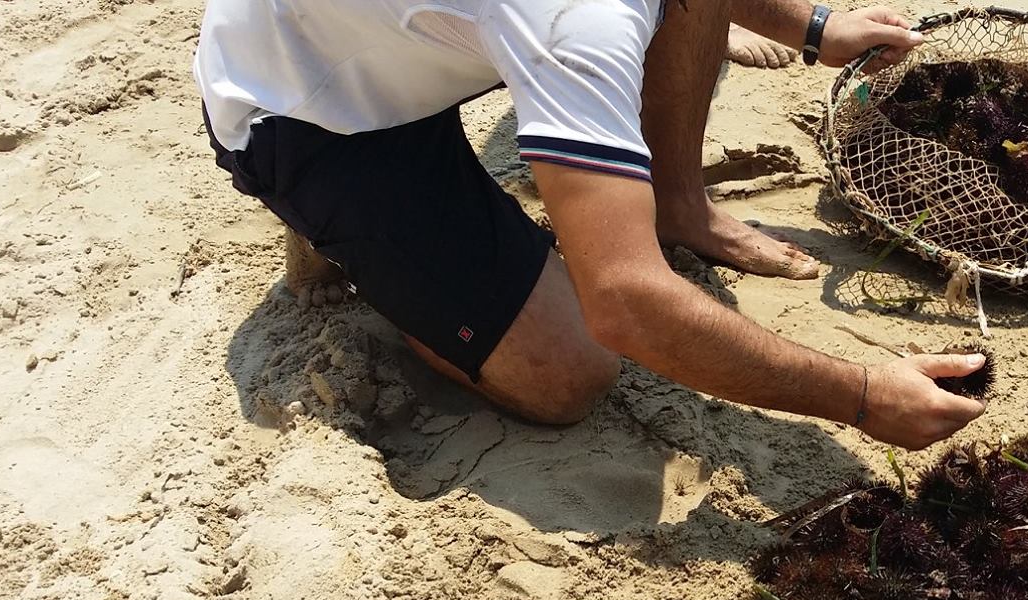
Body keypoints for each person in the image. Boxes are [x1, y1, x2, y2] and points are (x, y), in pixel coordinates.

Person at [194, 0, 986, 449]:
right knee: (568, 371)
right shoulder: (577, 21)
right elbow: (626, 303)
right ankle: (347, 242)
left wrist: (813, 28)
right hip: (304, 110)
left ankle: (676, 204)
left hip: (396, 40)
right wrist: (861, 395)